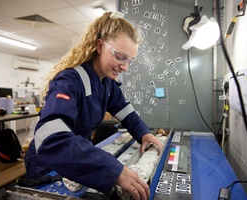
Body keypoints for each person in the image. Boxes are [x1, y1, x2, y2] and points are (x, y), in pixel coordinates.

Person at [25, 11, 163, 200]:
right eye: (120, 57)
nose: (125, 67)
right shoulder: (69, 81)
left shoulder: (107, 83)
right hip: (50, 165)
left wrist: (144, 134)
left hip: (80, 158)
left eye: (129, 61)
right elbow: (51, 139)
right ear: (100, 46)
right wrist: (113, 170)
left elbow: (126, 112)